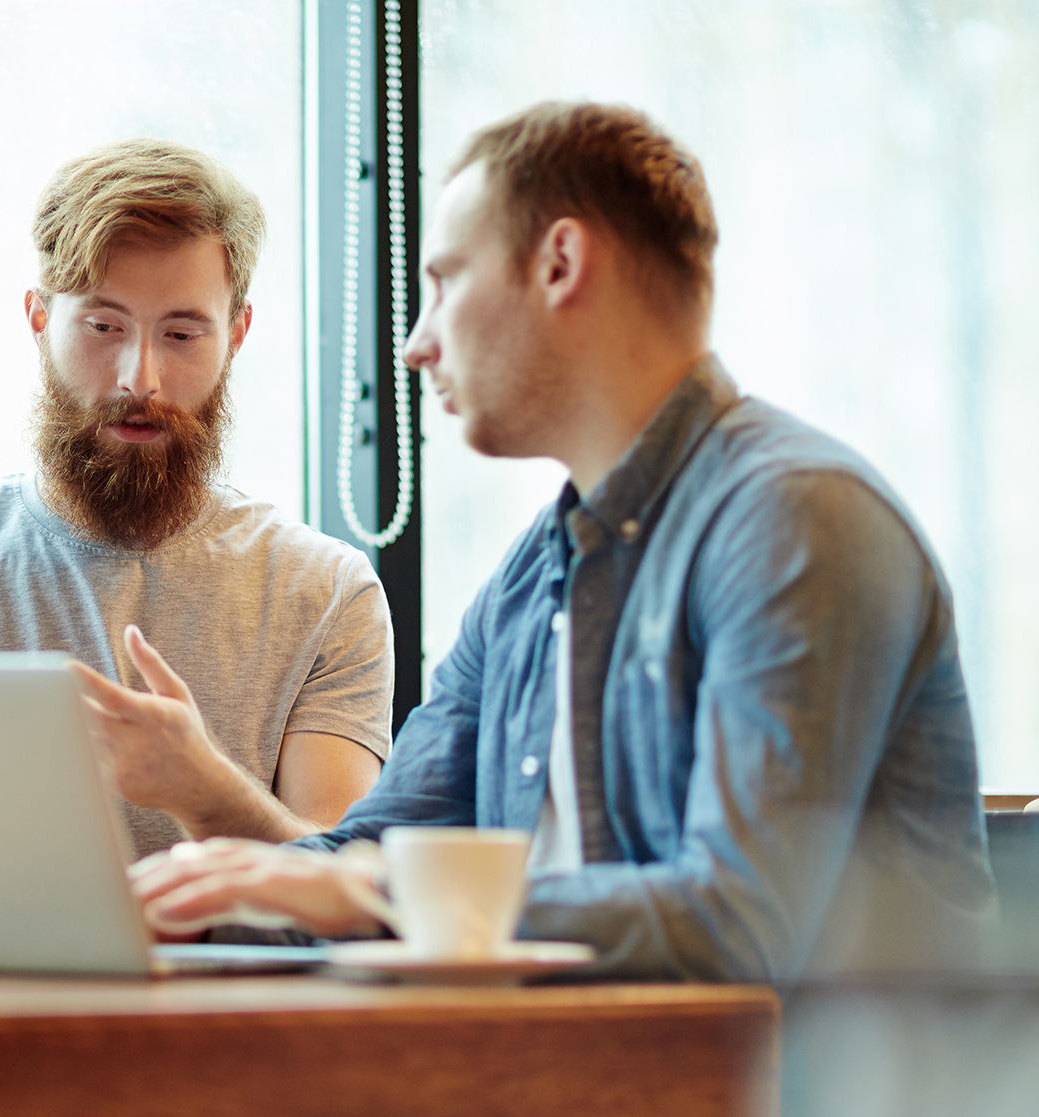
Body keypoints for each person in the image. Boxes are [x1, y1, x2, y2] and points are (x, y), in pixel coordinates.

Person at [133, 101, 996, 986]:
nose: (415, 345)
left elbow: (738, 922)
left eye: (446, 282)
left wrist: (372, 890)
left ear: (559, 264)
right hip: (579, 1092)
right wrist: (176, 903)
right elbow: (373, 857)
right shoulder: (530, 577)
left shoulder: (797, 521)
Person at [0, 139, 392, 895]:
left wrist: (202, 788)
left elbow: (347, 896)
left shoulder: (323, 592)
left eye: (183, 334)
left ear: (239, 335)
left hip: (222, 1016)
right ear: (37, 317)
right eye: (103, 327)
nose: (140, 378)